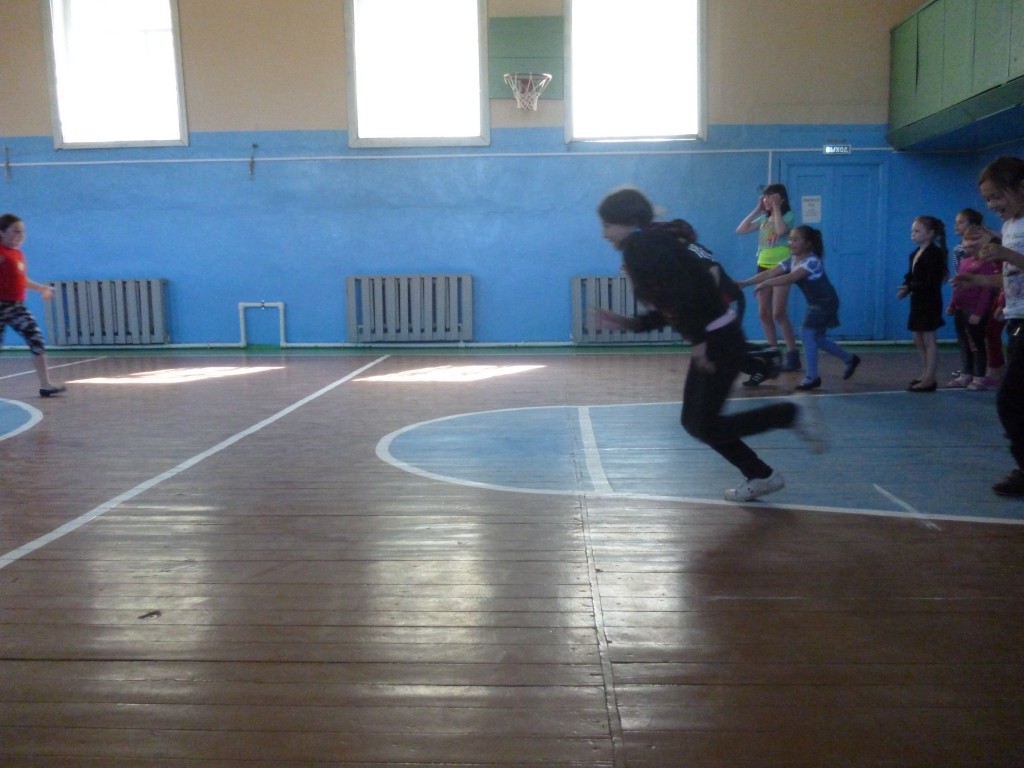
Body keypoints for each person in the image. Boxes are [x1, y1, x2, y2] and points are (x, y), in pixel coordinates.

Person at [596, 188, 823, 503]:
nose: (604, 233)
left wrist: (700, 340)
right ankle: (760, 473)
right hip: (717, 335)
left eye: (607, 224)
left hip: (718, 338)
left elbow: (689, 290)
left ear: (626, 221)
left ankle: (789, 415)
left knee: (703, 424)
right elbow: (672, 304)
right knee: (695, 423)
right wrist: (629, 323)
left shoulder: (642, 247)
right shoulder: (648, 244)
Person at [954, 156, 1024, 496]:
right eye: (987, 199)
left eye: (997, 196)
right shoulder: (1010, 227)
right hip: (1016, 319)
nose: (992, 205)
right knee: (1014, 398)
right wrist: (978, 281)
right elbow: (1010, 277)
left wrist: (1005, 254)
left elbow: (1013, 262)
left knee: (1010, 398)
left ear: (1021, 188)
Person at [737, 225, 860, 391]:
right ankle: (850, 359)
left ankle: (812, 377)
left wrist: (765, 284)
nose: (790, 243)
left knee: (807, 332)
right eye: (790, 239)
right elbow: (771, 272)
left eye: (795, 240)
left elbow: (790, 278)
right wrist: (745, 283)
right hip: (817, 303)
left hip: (825, 302)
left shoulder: (812, 261)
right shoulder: (792, 260)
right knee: (817, 339)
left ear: (808, 244)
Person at [736, 183, 800, 379]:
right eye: (765, 197)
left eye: (770, 197)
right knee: (763, 312)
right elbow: (741, 229)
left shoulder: (787, 216)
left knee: (778, 313)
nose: (766, 200)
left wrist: (777, 208)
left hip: (782, 267)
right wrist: (758, 209)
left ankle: (792, 355)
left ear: (780, 199)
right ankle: (773, 354)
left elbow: (780, 231)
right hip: (763, 266)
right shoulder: (764, 218)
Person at [0, 214, 65, 397]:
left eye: (22, 231)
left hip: (16, 307)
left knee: (36, 338)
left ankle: (46, 385)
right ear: (2, 232)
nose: (20, 235)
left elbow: (21, 280)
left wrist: (41, 288)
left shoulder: (18, 254)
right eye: (15, 231)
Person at [946, 211, 999, 389]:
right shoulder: (963, 262)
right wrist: (952, 305)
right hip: (961, 309)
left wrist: (978, 312)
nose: (968, 244)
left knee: (977, 343)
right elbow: (958, 285)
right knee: (964, 343)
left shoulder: (986, 263)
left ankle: (980, 376)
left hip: (976, 310)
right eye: (966, 241)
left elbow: (986, 290)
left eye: (974, 240)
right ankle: (966, 374)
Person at [897, 215, 949, 392]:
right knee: (917, 337)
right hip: (918, 300)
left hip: (929, 301)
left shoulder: (934, 254)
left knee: (928, 338)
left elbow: (930, 281)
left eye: (917, 231)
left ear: (930, 233)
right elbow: (911, 276)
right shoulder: (915, 254)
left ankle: (930, 378)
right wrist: (906, 287)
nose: (913, 234)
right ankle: (925, 372)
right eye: (912, 231)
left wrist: (910, 287)